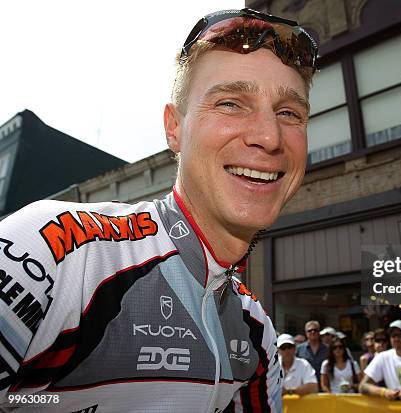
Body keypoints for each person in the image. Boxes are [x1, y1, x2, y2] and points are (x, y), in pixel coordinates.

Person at [0, 8, 317, 412]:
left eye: (289, 113)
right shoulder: (57, 249)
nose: (269, 137)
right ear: (174, 128)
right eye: (231, 103)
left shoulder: (258, 332)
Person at [297, 320, 329, 387]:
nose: (313, 332)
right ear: (306, 333)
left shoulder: (327, 349)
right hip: (305, 387)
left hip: (324, 387)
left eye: (315, 330)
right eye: (310, 330)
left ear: (319, 332)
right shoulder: (299, 349)